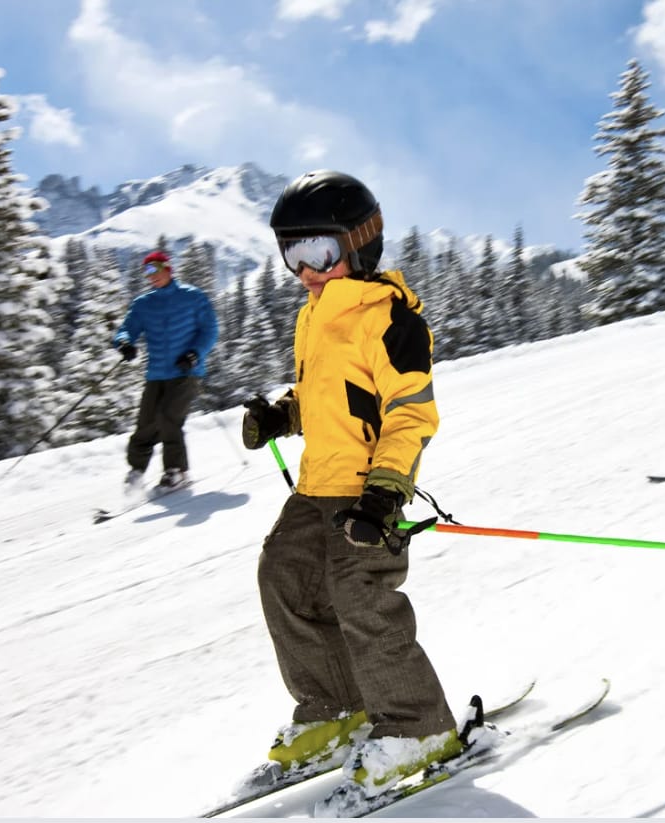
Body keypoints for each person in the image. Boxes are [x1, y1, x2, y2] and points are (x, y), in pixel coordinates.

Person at [238, 170, 459, 799]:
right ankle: (334, 710)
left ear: (359, 245)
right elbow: (325, 396)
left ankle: (418, 725)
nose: (306, 271)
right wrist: (284, 415)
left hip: (368, 492)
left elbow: (410, 412)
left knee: (361, 599)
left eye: (319, 252)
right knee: (284, 578)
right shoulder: (313, 316)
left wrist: (385, 493)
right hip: (317, 485)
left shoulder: (390, 320)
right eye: (293, 255)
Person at [112, 249, 219, 490]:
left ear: (168, 269)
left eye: (156, 269)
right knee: (146, 422)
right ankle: (137, 470)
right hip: (157, 373)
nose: (152, 275)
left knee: (169, 418)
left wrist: (194, 354)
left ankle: (176, 470)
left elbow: (210, 330)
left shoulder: (192, 297)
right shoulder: (143, 304)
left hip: (186, 371)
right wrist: (125, 343)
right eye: (147, 271)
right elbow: (126, 330)